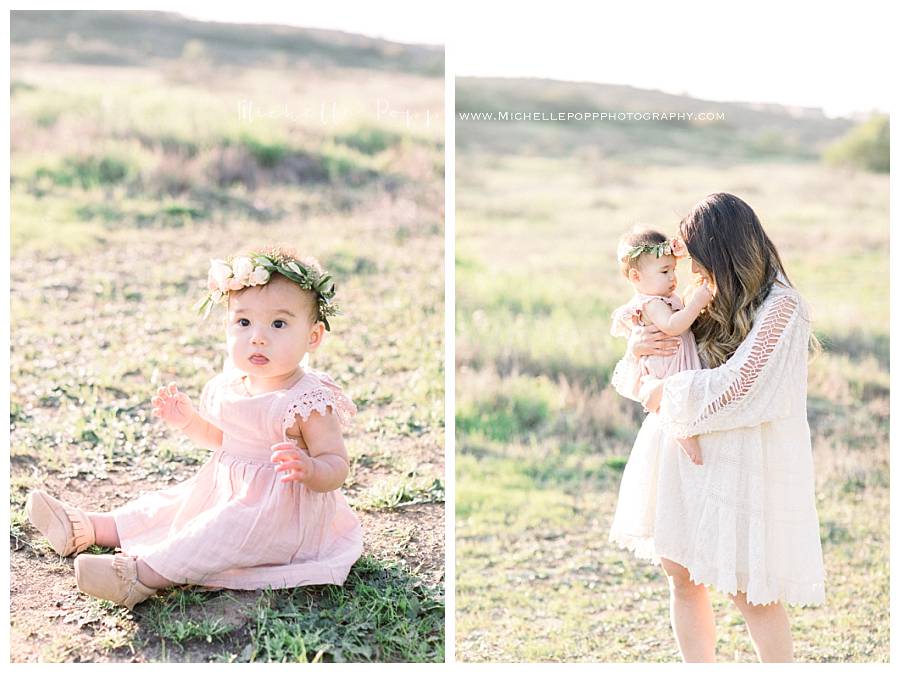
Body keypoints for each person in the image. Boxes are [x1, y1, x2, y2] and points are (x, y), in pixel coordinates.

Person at [26, 246, 363, 609]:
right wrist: (188, 420)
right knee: (168, 506)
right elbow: (223, 440)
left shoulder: (307, 399)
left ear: (313, 336)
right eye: (244, 322)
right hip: (225, 489)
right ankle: (87, 527)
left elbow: (336, 463)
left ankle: (140, 577)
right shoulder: (233, 383)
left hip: (277, 516)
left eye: (278, 324)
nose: (258, 337)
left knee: (214, 532)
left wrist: (311, 469)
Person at [608, 194, 825, 662]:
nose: (690, 272)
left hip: (743, 454)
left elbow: (741, 383)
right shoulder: (702, 292)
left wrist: (661, 394)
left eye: (700, 258)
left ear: (724, 250)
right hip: (678, 446)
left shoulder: (782, 306)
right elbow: (637, 375)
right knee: (681, 575)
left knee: (751, 590)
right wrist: (640, 352)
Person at [608, 225, 712, 465]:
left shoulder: (663, 297)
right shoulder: (652, 304)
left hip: (672, 358)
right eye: (664, 271)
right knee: (675, 396)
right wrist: (696, 304)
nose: (673, 278)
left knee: (682, 396)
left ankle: (685, 429)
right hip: (666, 362)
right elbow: (674, 326)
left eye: (674, 269)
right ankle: (683, 433)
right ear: (636, 277)